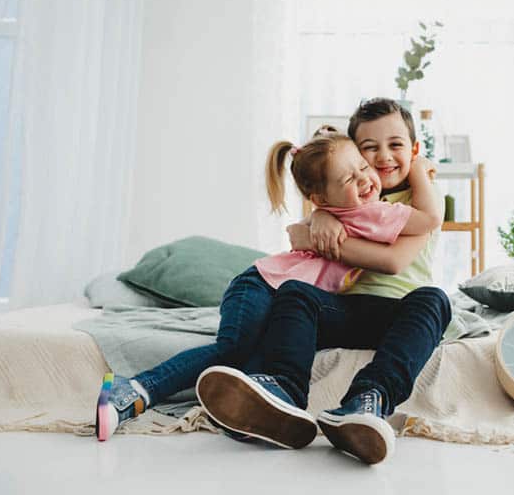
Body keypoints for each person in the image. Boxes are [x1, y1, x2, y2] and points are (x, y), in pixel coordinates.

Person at [94, 122, 441, 441]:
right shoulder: (371, 212)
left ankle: (257, 412)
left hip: (286, 297)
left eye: (363, 169)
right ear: (321, 198)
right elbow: (428, 219)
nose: (365, 178)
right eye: (350, 178)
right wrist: (423, 171)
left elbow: (396, 243)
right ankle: (137, 388)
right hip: (262, 285)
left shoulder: (350, 209)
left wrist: (322, 213)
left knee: (251, 354)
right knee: (233, 349)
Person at [195, 97, 452, 465]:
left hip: (397, 313)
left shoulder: (419, 198)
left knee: (434, 299)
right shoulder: (351, 192)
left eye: (396, 145)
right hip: (347, 309)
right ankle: (284, 393)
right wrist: (318, 220)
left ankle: (368, 399)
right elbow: (306, 226)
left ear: (413, 150)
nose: (384, 157)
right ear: (355, 156)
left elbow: (395, 261)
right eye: (369, 149)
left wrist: (419, 171)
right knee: (296, 293)